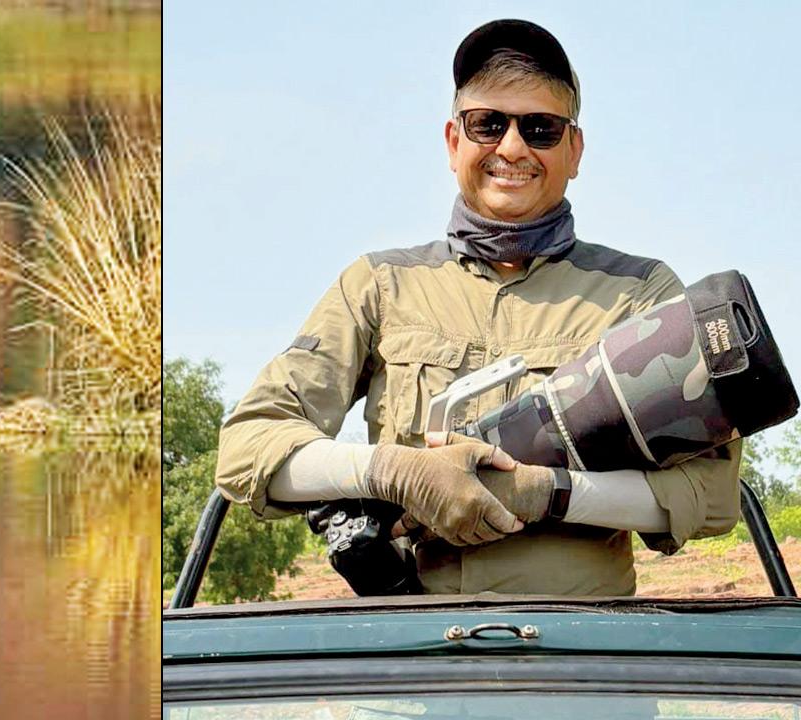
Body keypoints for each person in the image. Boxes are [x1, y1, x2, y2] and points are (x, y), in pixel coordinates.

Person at [214, 18, 741, 596]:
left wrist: (550, 493)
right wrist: (390, 471)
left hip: (582, 642)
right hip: (411, 640)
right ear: (453, 141)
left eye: (540, 129)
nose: (511, 148)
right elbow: (247, 447)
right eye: (487, 124)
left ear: (574, 150)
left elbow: (712, 496)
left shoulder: (639, 293)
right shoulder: (380, 285)